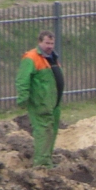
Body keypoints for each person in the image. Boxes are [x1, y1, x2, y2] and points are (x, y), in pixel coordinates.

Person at [17, 31, 64, 168]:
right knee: (43, 131)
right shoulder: (31, 58)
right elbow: (22, 79)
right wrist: (23, 98)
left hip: (53, 103)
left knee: (52, 131)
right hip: (40, 103)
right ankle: (41, 164)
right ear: (39, 42)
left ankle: (47, 160)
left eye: (52, 43)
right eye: (47, 43)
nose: (50, 46)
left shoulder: (52, 58)